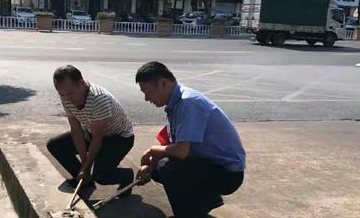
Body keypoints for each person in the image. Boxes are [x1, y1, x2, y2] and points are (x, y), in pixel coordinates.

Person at [135, 62, 245, 218]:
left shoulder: (188, 103)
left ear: (163, 83)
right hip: (209, 165)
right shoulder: (177, 102)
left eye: (148, 92)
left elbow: (180, 151)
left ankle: (189, 213)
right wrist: (150, 165)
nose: (146, 99)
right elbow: (172, 146)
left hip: (227, 174)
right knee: (159, 168)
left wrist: (151, 151)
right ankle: (204, 202)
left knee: (167, 168)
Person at [47, 65, 135, 196]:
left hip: (118, 138)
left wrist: (87, 167)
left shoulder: (99, 99)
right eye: (62, 94)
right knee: (55, 145)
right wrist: (84, 166)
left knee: (101, 176)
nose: (67, 99)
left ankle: (126, 175)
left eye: (70, 93)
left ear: (82, 83)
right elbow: (76, 130)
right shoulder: (66, 94)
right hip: (90, 131)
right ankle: (85, 181)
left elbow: (97, 138)